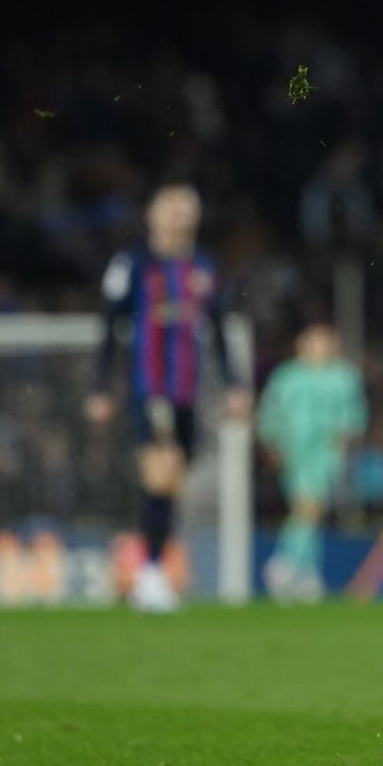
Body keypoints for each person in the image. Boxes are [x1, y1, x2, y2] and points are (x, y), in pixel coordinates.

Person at [87, 183, 251, 612]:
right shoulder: (133, 263)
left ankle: (146, 564)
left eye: (187, 208)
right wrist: (102, 387)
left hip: (187, 390)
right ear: (152, 214)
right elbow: (109, 326)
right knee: (160, 472)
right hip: (150, 386)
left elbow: (218, 328)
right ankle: (151, 572)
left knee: (171, 477)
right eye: (172, 207)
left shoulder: (204, 266)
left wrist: (234, 385)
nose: (180, 215)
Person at [258, 322, 367, 603]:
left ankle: (301, 570)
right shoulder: (287, 377)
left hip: (327, 451)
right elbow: (271, 412)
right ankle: (286, 565)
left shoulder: (343, 376)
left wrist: (345, 440)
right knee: (307, 508)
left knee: (311, 510)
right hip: (295, 449)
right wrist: (273, 442)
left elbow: (354, 415)